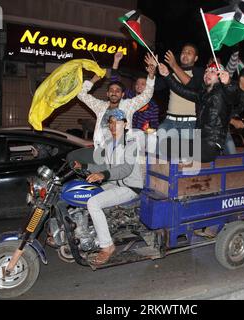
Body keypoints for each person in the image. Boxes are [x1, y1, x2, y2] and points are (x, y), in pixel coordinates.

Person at [74, 110, 143, 265]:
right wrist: (84, 166)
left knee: (93, 203)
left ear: (125, 124)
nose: (113, 125)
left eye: (117, 122)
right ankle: (85, 233)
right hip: (115, 184)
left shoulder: (131, 144)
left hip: (130, 187)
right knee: (85, 193)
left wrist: (103, 175)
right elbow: (105, 165)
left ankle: (107, 246)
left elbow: (125, 169)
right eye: (111, 122)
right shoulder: (111, 144)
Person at [66, 59, 156, 167]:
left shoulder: (128, 106)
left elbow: (146, 95)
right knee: (72, 157)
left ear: (122, 95)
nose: (114, 93)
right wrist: (93, 80)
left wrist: (150, 76)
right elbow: (81, 94)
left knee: (107, 174)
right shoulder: (100, 106)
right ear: (107, 94)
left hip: (120, 152)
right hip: (100, 150)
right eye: (111, 91)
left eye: (117, 91)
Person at [157, 61, 231, 163]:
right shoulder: (203, 95)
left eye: (213, 71)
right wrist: (167, 75)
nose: (207, 74)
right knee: (165, 144)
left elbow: (234, 96)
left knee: (167, 146)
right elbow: (182, 90)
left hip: (210, 146)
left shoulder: (223, 94)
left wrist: (228, 84)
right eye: (206, 71)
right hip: (200, 143)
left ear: (220, 76)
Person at [146, 43, 204, 139]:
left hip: (192, 122)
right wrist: (153, 72)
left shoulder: (200, 72)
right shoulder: (171, 73)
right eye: (183, 52)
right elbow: (156, 87)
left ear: (196, 58)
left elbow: (193, 86)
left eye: (189, 53)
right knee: (160, 151)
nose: (185, 54)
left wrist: (174, 66)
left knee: (191, 153)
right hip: (169, 121)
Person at [110, 52, 159, 131]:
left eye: (143, 84)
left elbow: (154, 125)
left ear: (148, 86)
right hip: (124, 134)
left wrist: (148, 132)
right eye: (137, 83)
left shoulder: (152, 105)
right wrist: (116, 61)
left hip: (141, 137)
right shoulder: (129, 96)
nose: (139, 86)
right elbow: (115, 84)